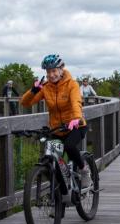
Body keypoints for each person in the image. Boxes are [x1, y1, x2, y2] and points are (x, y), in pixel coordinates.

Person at [20, 54, 91, 188]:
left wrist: (76, 118)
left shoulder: (72, 84)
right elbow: (25, 103)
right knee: (53, 159)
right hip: (57, 129)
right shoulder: (46, 87)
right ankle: (61, 192)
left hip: (75, 125)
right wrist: (34, 90)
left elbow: (76, 102)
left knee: (70, 146)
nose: (51, 75)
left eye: (53, 71)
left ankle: (84, 170)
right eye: (48, 72)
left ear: (61, 69)